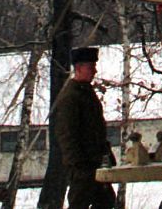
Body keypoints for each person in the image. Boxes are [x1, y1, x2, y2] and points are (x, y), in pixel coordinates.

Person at [53, 46, 116, 209]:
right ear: (79, 68)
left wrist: (106, 154)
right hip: (83, 167)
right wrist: (77, 164)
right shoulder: (70, 96)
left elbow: (97, 129)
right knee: (79, 204)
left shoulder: (86, 92)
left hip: (95, 163)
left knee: (106, 201)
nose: (94, 71)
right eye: (91, 67)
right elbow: (66, 134)